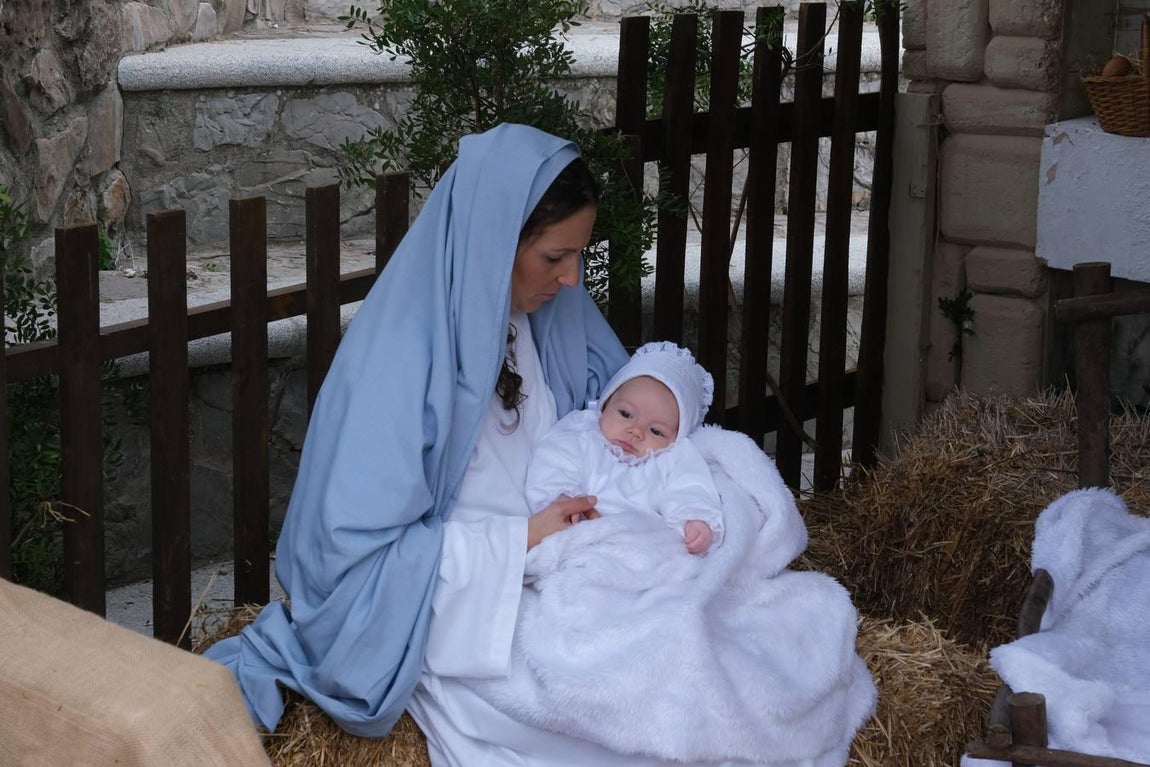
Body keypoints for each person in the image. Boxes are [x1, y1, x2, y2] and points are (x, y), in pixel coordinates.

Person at [525, 341, 725, 555]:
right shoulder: (584, 436)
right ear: (606, 403)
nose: (636, 431)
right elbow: (554, 460)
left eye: (656, 431)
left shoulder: (673, 458)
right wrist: (560, 497)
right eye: (626, 414)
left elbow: (691, 486)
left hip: (643, 548)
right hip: (579, 535)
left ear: (677, 437)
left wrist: (694, 519)